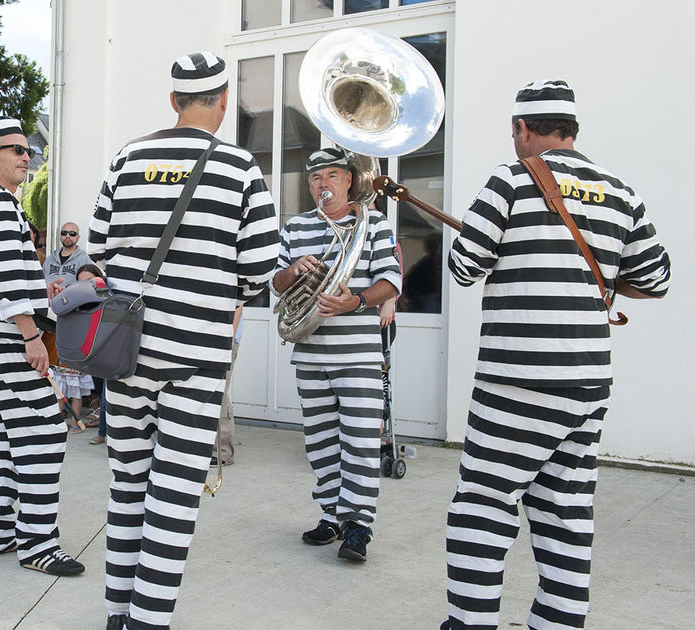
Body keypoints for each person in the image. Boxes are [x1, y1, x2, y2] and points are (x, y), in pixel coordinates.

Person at [441, 80, 671, 630]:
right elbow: (655, 278)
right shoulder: (621, 190)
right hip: (588, 382)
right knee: (565, 510)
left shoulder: (511, 180)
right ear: (570, 130)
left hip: (517, 380)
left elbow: (464, 266)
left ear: (523, 129)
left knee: (484, 503)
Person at [88, 53, 278, 630]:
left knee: (128, 483)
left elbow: (98, 249)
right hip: (196, 356)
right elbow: (260, 267)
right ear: (222, 102)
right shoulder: (240, 166)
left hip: (126, 351)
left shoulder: (126, 157)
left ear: (172, 102)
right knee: (174, 491)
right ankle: (149, 620)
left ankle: (118, 613)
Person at [0, 115, 85, 577]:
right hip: (10, 334)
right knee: (45, 433)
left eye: (27, 148)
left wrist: (37, 293)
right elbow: (7, 277)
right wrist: (32, 334)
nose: (26, 155)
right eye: (15, 149)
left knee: (1, 431)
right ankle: (37, 544)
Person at [272, 147, 401, 563]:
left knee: (361, 442)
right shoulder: (295, 228)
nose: (322, 184)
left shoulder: (374, 224)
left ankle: (358, 525)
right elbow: (276, 284)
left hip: (358, 355)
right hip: (310, 354)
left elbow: (391, 282)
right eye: (315, 178)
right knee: (322, 443)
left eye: (331, 175)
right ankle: (331, 512)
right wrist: (293, 272)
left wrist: (357, 301)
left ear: (348, 179)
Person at [75, 264, 109, 446]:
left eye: (89, 281)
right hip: (91, 353)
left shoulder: (107, 297)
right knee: (100, 390)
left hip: (109, 351)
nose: (86, 285)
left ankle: (102, 433)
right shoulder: (79, 301)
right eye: (81, 282)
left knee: (106, 393)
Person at [212, 306, 244, 466]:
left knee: (219, 391)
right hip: (207, 337)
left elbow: (238, 304)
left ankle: (223, 451)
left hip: (225, 338)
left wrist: (228, 340)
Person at [43, 222, 92, 287]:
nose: (67, 236)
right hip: (51, 297)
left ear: (78, 237)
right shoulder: (49, 260)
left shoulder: (84, 259)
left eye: (72, 234)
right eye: (64, 233)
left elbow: (89, 285)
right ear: (60, 235)